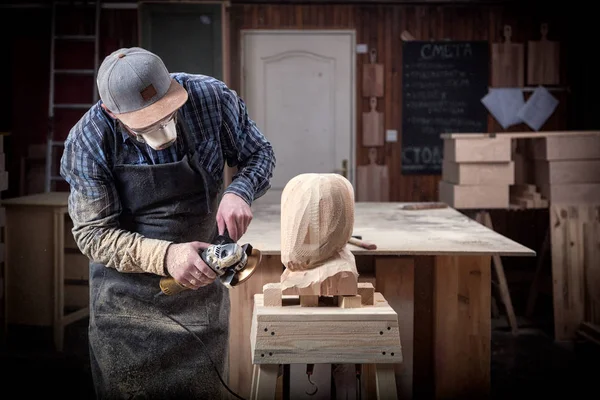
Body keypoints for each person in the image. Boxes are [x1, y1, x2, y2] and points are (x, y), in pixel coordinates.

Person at [59, 47, 275, 399]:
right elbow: (93, 235)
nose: (163, 133)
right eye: (147, 125)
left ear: (173, 87)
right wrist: (167, 257)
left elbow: (259, 153)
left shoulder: (212, 99)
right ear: (112, 112)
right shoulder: (88, 140)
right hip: (126, 308)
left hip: (200, 296)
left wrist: (241, 190)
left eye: (168, 113)